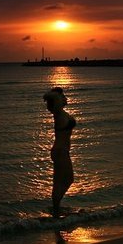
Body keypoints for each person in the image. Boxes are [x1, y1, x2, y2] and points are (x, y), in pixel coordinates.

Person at [43, 87, 76, 217]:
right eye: (63, 97)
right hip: (60, 151)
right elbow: (48, 96)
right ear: (57, 100)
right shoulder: (58, 113)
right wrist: (56, 94)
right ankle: (56, 207)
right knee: (67, 180)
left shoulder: (63, 113)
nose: (65, 98)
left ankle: (56, 208)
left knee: (61, 181)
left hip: (62, 151)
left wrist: (58, 93)